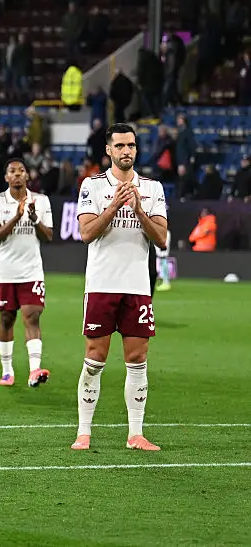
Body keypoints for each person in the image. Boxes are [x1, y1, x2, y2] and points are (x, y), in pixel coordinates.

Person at [74, 123, 168, 452]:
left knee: (138, 358)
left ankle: (136, 434)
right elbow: (86, 233)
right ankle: (83, 432)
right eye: (120, 146)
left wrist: (139, 210)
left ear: (136, 150)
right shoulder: (93, 186)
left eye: (131, 145)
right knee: (95, 357)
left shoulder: (153, 188)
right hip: (102, 284)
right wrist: (114, 206)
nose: (126, 151)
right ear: (109, 151)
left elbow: (161, 238)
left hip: (137, 286)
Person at [0, 158, 54, 388]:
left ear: (27, 176)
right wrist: (16, 215)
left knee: (32, 316)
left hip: (31, 271)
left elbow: (48, 236)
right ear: (6, 177)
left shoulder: (41, 201)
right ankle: (7, 371)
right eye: (12, 171)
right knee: (7, 318)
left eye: (21, 171)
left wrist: (34, 218)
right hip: (5, 272)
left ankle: (35, 370)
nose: (17, 175)